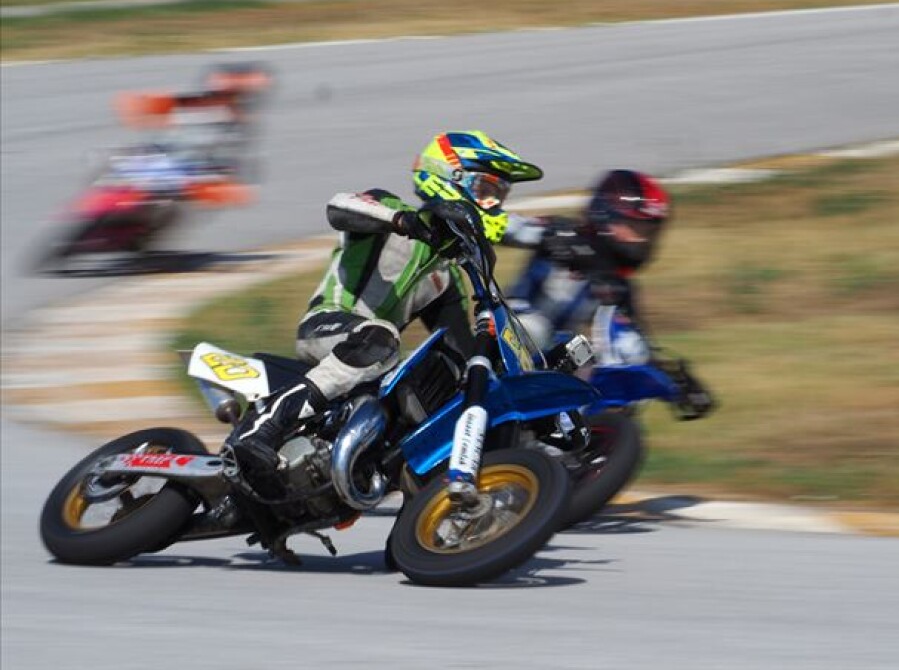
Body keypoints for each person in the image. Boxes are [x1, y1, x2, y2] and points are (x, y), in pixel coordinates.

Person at [223, 131, 542, 488]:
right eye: (485, 190)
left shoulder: (445, 276)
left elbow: (461, 352)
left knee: (432, 385)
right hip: (326, 326)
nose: (492, 205)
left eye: (499, 196)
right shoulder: (387, 207)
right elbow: (338, 208)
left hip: (371, 362)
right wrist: (403, 222)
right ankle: (263, 428)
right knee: (382, 337)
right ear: (450, 177)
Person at [504, 170, 714, 418]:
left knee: (628, 357)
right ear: (605, 215)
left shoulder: (619, 287)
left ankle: (580, 428)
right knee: (538, 330)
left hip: (558, 355)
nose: (641, 240)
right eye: (635, 228)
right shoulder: (563, 233)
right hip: (510, 333)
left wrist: (675, 383)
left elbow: (638, 345)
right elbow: (505, 227)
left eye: (648, 232)